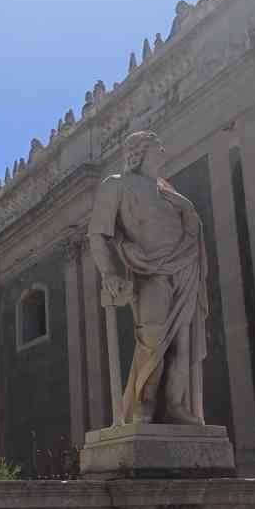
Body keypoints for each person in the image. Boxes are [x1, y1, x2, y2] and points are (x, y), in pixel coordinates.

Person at [88, 131, 209, 425]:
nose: (163, 152)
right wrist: (109, 273)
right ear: (139, 152)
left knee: (182, 342)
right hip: (149, 270)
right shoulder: (117, 185)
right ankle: (144, 405)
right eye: (158, 148)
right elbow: (98, 234)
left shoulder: (168, 190)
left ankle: (174, 405)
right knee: (153, 339)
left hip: (184, 267)